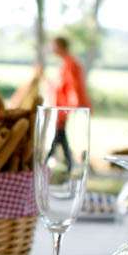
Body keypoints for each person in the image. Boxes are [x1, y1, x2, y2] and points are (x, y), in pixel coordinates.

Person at [49, 35, 91, 170]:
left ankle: (54, 161)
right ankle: (67, 163)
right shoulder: (66, 63)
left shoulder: (71, 63)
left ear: (60, 47)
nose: (51, 49)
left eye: (54, 46)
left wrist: (74, 107)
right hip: (62, 108)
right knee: (60, 134)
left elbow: (74, 87)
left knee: (60, 133)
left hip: (65, 108)